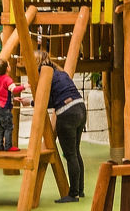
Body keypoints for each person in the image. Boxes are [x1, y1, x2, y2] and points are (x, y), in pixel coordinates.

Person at [30, 51, 87, 202]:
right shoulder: (60, 72)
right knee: (76, 151)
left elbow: (47, 102)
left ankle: (73, 194)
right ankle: (80, 189)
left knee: (70, 155)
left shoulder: (44, 75)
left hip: (67, 113)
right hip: (80, 107)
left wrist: (29, 103)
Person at [0, 58, 19, 151]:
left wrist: (13, 99)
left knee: (0, 127)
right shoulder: (7, 79)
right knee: (9, 127)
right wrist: (24, 86)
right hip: (4, 109)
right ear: (7, 68)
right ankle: (8, 146)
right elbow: (14, 89)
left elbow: (2, 93)